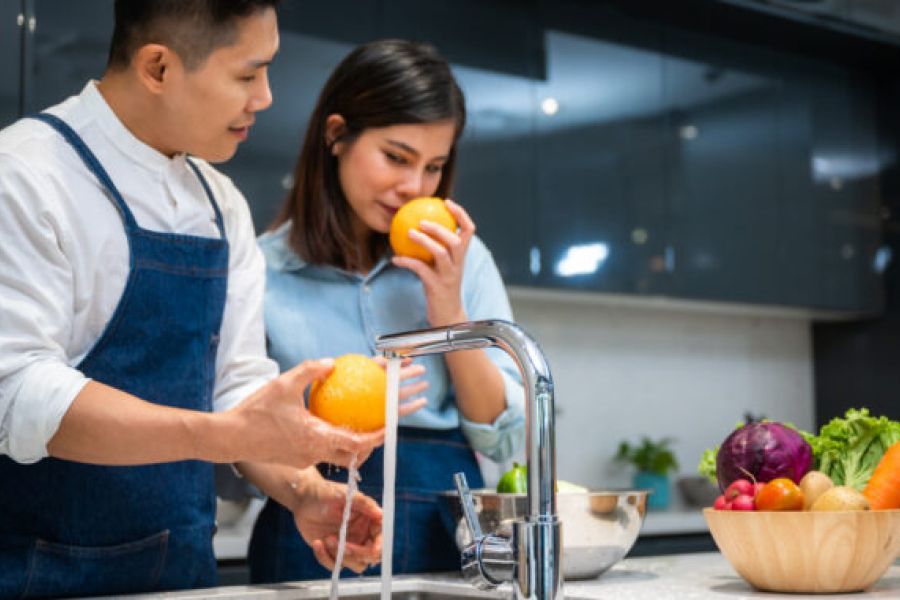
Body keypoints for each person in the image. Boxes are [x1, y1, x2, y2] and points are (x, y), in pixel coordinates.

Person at [0, 2, 409, 597]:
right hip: (36, 576)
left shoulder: (221, 204)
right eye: (248, 74)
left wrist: (302, 489)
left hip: (185, 580)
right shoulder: (24, 174)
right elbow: (16, 391)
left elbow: (237, 389)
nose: (266, 97)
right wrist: (219, 434)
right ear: (159, 67)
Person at [249, 39, 526, 582]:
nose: (414, 187)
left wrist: (448, 308)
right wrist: (309, 485)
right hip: (313, 524)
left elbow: (505, 436)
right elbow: (241, 431)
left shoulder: (461, 260)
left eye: (434, 167)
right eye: (396, 158)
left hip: (441, 525)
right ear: (336, 136)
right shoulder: (260, 271)